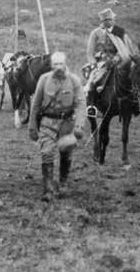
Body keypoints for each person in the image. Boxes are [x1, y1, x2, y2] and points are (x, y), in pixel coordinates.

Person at [28, 52, 85, 201]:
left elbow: (80, 104)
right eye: (55, 64)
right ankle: (48, 189)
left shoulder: (74, 81)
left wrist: (79, 125)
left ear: (65, 64)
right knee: (46, 153)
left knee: (66, 153)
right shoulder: (44, 79)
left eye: (61, 64)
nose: (58, 67)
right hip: (47, 122)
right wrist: (32, 126)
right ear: (51, 65)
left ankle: (63, 183)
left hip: (67, 124)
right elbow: (35, 105)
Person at [84, 8, 138, 116]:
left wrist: (117, 58)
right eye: (107, 20)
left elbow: (125, 48)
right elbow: (90, 52)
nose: (110, 21)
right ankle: (91, 105)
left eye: (111, 19)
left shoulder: (119, 31)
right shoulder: (96, 33)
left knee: (134, 74)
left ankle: (138, 102)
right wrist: (93, 64)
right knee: (95, 78)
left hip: (120, 60)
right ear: (103, 21)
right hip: (102, 61)